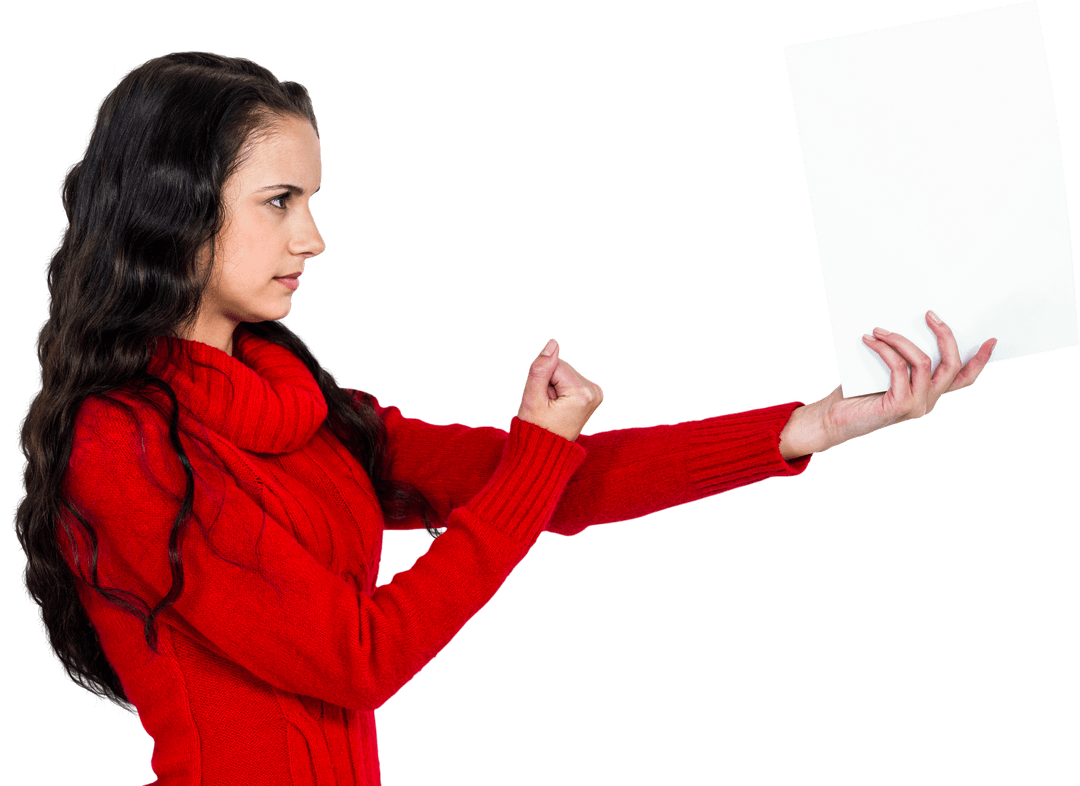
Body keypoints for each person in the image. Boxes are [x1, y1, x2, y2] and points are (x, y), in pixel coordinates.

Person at [11, 51, 996, 786]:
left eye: (312, 199)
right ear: (175, 208)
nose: (314, 235)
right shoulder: (120, 444)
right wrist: (533, 466)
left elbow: (549, 488)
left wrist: (813, 426)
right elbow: (360, 660)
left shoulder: (306, 404)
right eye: (280, 201)